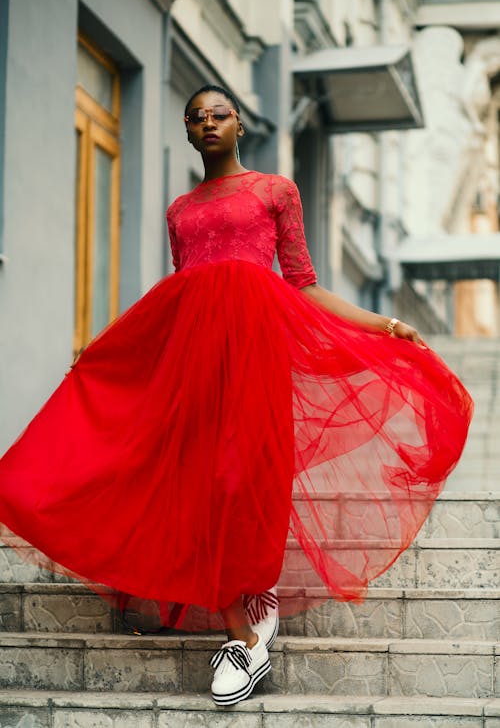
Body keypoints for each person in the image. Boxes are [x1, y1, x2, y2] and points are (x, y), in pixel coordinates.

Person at [0, 84, 473, 707]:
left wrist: (382, 326)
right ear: (190, 133)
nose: (207, 123)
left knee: (239, 480)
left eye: (218, 113)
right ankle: (243, 635)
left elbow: (303, 284)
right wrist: (116, 353)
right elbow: (186, 289)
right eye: (195, 117)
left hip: (256, 353)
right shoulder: (179, 209)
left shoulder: (276, 190)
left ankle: (252, 600)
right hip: (193, 361)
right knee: (197, 483)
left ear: (240, 123)